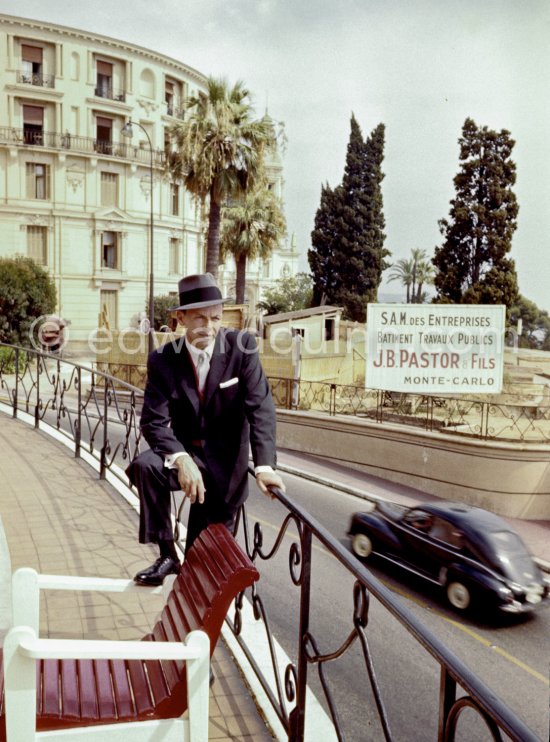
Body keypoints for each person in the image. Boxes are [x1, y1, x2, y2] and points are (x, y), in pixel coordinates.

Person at [127, 273, 285, 586]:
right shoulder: (162, 360)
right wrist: (181, 459)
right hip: (189, 459)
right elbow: (152, 421)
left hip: (227, 470)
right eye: (200, 317)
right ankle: (167, 554)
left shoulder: (242, 348)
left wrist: (265, 465)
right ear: (181, 318)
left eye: (215, 317)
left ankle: (198, 628)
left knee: (204, 566)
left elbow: (261, 408)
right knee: (146, 466)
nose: (209, 327)